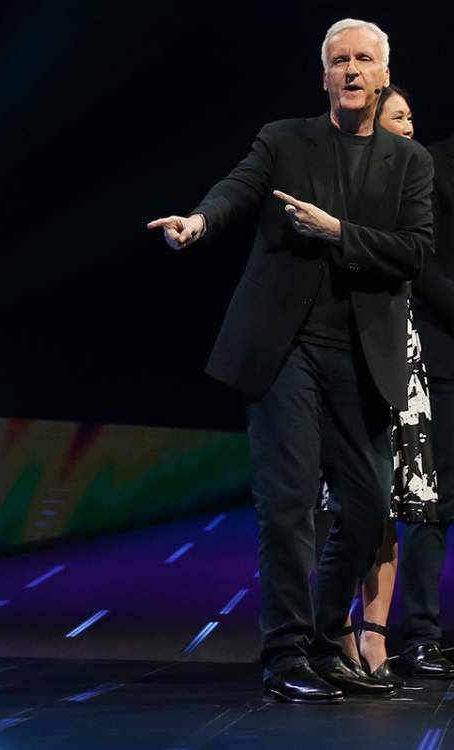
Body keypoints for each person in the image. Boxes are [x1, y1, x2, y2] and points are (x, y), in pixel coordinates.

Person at [147, 19, 434, 703]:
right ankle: (285, 659)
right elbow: (236, 190)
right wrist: (199, 223)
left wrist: (337, 232)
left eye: (365, 59)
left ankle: (323, 639)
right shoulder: (286, 140)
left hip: (363, 359)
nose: (352, 70)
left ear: (383, 73)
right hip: (282, 354)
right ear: (324, 74)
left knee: (366, 510)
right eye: (340, 60)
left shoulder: (408, 162)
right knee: (288, 506)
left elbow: (415, 251)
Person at [321, 84, 429, 690]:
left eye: (411, 116)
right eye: (397, 117)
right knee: (340, 505)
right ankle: (330, 630)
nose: (407, 126)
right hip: (339, 348)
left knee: (389, 504)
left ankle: (377, 633)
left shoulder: (416, 186)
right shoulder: (340, 180)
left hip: (399, 354)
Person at [397, 113, 454, 679]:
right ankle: (420, 635)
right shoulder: (433, 165)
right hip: (446, 355)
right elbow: (424, 263)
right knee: (434, 502)